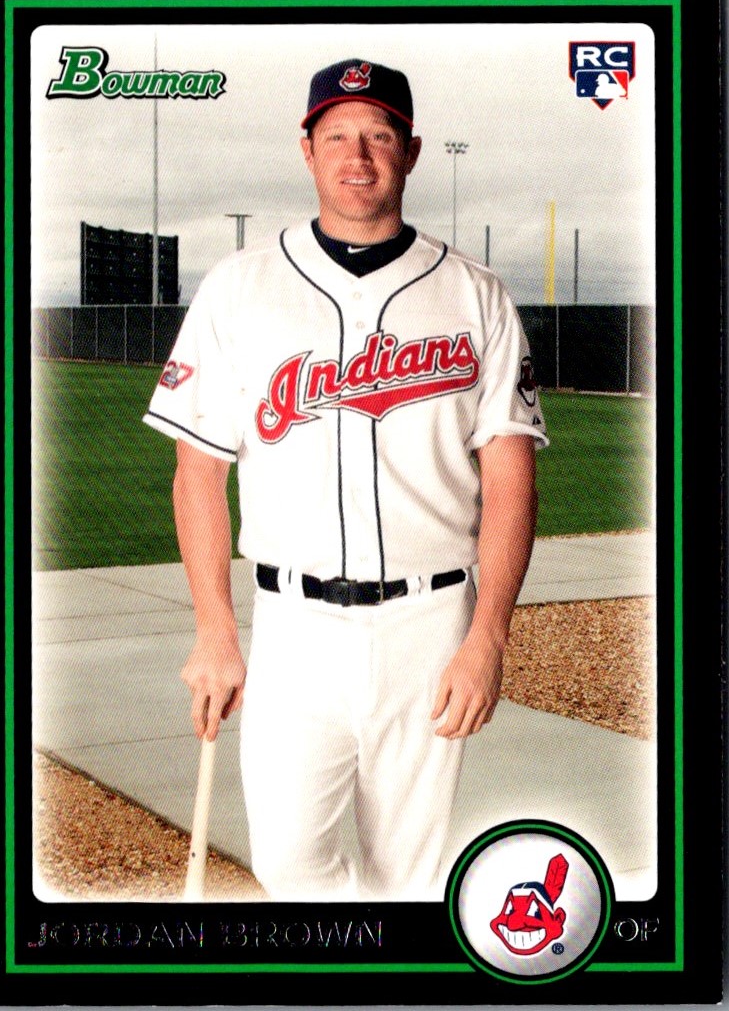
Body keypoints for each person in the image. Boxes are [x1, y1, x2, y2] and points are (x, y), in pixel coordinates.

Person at [144, 58, 548, 901]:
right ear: (307, 150)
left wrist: (489, 639)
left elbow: (510, 476)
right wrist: (214, 629)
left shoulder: (474, 294)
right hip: (293, 627)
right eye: (336, 137)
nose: (357, 156)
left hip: (431, 623)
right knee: (288, 865)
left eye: (378, 135)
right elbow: (197, 469)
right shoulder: (239, 286)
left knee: (411, 878)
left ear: (411, 150)